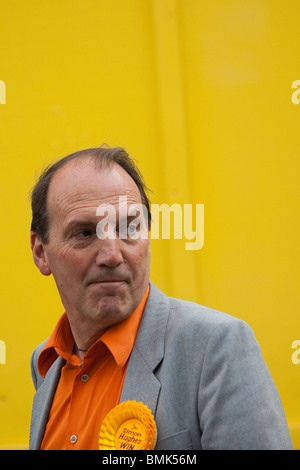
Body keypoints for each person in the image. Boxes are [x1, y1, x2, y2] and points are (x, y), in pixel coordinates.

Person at [29, 146, 293, 450]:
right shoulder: (45, 364)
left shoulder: (217, 347)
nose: (113, 255)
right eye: (85, 233)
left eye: (129, 227)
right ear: (40, 252)